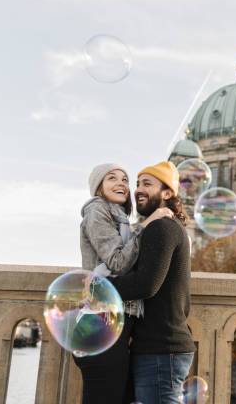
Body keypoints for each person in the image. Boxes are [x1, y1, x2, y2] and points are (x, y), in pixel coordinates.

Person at [77, 163, 173, 404]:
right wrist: (148, 223)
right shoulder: (97, 211)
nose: (121, 183)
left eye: (125, 179)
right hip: (100, 318)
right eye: (112, 178)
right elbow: (118, 262)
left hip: (114, 319)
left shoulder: (120, 218)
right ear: (98, 187)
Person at [111, 161, 196, 404]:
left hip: (161, 349)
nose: (138, 189)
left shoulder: (161, 227)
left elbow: (146, 285)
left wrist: (102, 286)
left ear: (168, 193)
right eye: (138, 184)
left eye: (147, 184)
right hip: (161, 347)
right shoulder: (167, 227)